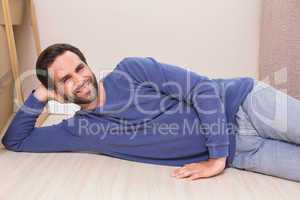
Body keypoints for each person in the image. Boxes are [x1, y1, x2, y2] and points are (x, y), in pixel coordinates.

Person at [2, 43, 299, 182]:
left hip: (246, 105)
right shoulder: (79, 130)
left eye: (80, 68)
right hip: (244, 153)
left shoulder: (131, 71)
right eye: (65, 79)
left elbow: (203, 90)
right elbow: (16, 141)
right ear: (57, 90)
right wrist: (41, 94)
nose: (79, 80)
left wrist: (216, 160)